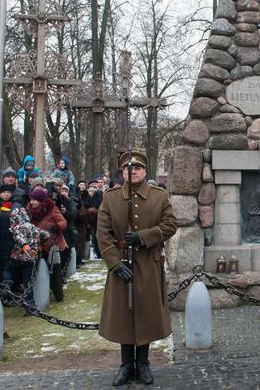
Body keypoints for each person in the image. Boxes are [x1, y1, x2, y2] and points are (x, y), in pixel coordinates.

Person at [97, 150, 177, 386]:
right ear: (122, 173)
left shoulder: (159, 196)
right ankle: (125, 365)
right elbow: (103, 234)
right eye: (127, 169)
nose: (132, 172)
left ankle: (143, 363)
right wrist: (113, 263)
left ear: (145, 171)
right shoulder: (110, 198)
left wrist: (144, 236)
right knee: (124, 314)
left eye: (138, 168)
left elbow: (170, 225)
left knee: (146, 314)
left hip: (148, 264)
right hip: (121, 264)